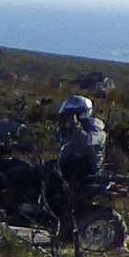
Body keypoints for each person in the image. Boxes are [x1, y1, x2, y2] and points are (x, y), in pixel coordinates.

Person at [49, 94, 109, 226]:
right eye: (66, 116)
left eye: (70, 115)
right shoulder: (70, 130)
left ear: (80, 114)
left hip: (84, 172)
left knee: (51, 178)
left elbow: (86, 142)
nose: (67, 119)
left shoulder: (95, 128)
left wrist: (75, 126)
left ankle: (56, 217)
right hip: (70, 169)